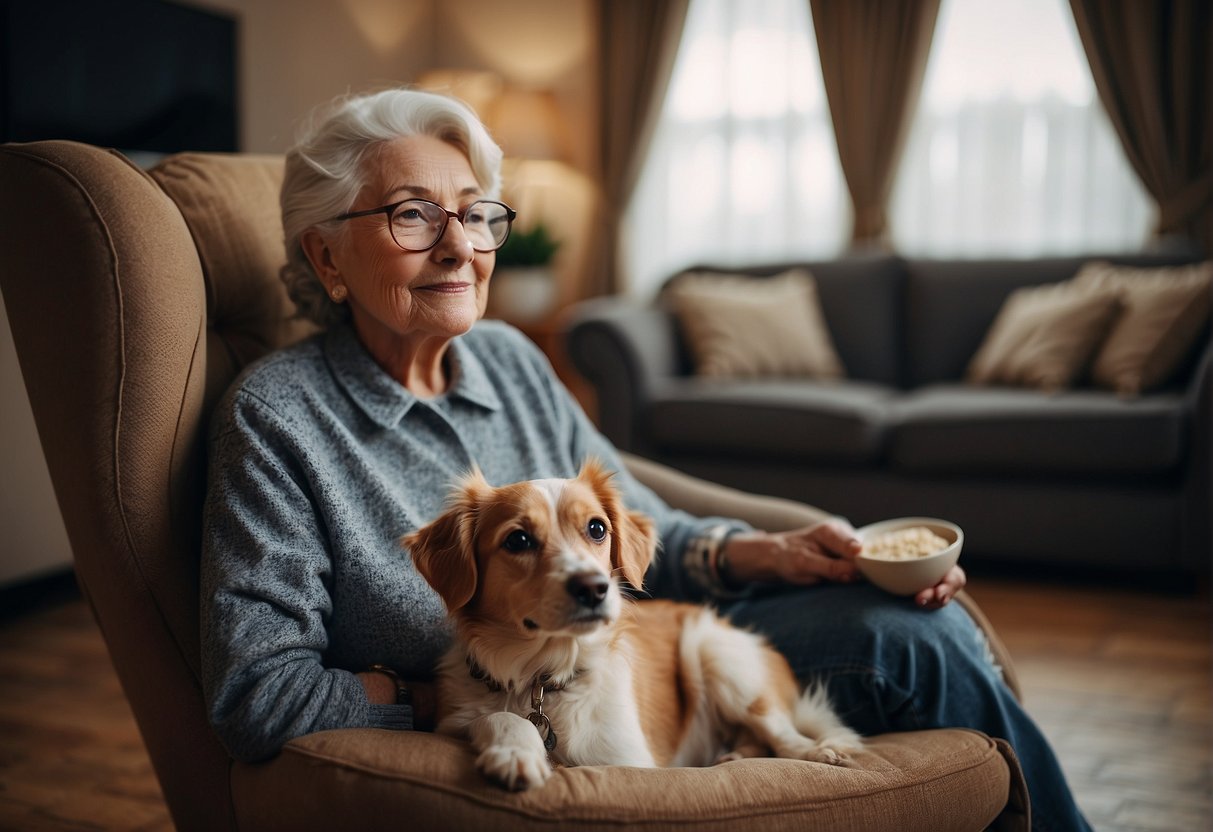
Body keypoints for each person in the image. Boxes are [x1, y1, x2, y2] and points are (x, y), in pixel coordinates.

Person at [200, 87, 1091, 831]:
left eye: (474, 213)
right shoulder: (279, 419)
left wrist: (765, 551)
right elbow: (259, 695)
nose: (461, 245)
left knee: (923, 634)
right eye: (412, 216)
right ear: (326, 255)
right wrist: (455, 703)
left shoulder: (507, 358)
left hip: (641, 659)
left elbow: (630, 524)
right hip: (531, 715)